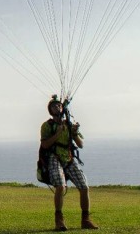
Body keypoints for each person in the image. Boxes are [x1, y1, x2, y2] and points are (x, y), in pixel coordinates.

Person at [40, 96, 97, 231]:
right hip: (54, 157)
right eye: (54, 106)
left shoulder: (68, 124)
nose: (57, 107)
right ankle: (59, 220)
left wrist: (75, 133)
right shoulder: (47, 126)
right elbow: (45, 144)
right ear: (50, 110)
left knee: (84, 187)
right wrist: (57, 134)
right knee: (60, 186)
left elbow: (80, 144)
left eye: (59, 106)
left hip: (69, 158)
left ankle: (86, 219)